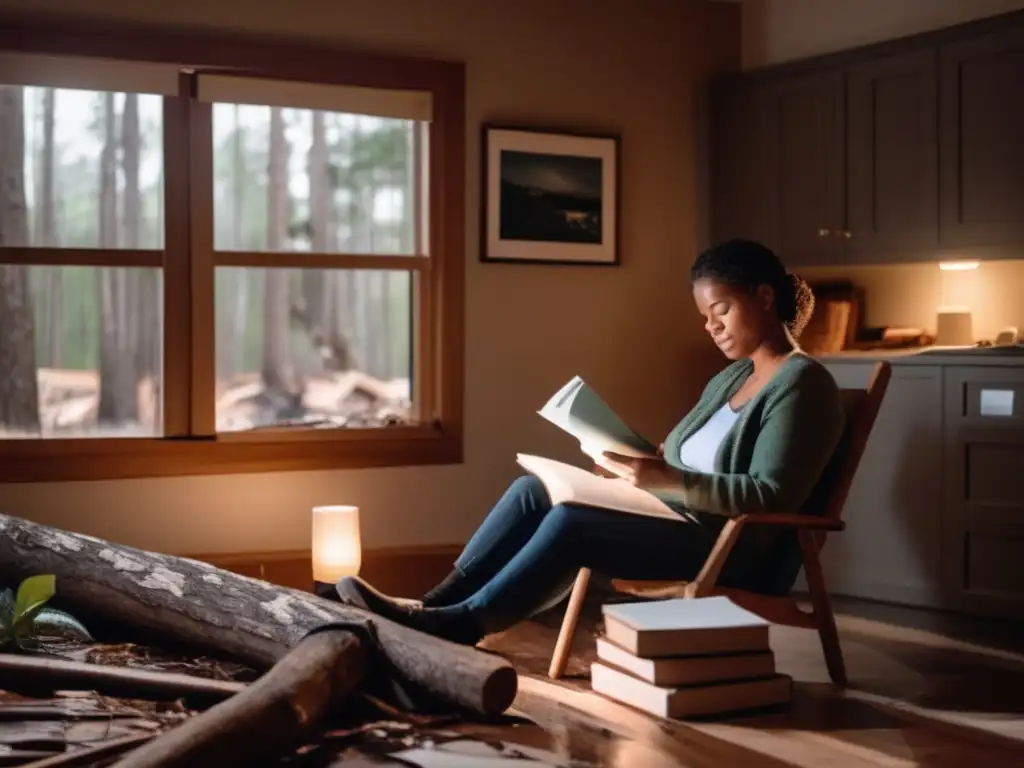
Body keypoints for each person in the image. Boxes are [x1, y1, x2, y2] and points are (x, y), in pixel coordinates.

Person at [332, 239, 847, 646]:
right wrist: (627, 464)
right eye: (705, 316)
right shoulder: (731, 379)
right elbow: (671, 457)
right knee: (532, 491)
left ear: (763, 296)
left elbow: (769, 496)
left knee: (571, 521)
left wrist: (664, 478)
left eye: (722, 310)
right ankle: (431, 605)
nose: (711, 326)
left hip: (728, 548)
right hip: (674, 517)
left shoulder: (802, 384)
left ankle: (463, 624)